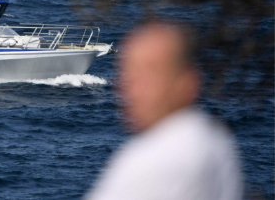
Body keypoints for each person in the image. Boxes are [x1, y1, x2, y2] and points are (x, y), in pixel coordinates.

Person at [86, 21, 243, 200]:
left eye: (147, 76)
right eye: (127, 75)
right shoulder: (217, 141)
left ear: (188, 82)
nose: (127, 89)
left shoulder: (154, 161)